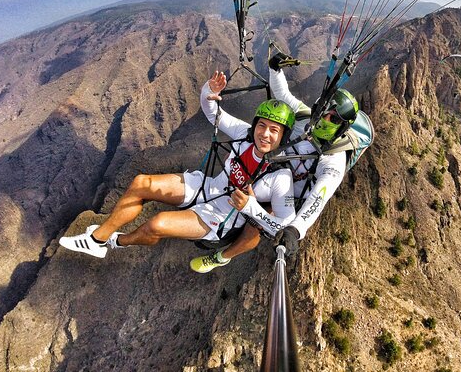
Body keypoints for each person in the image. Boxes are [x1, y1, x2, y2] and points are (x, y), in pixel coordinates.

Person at [59, 71, 297, 264]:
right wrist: (209, 91)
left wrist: (251, 207)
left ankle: (118, 241)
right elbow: (213, 112)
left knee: (157, 224)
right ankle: (97, 240)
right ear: (255, 125)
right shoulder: (244, 134)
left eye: (274, 130)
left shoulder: (281, 176)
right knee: (141, 182)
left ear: (283, 136)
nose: (265, 134)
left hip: (220, 217)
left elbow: (284, 225)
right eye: (262, 125)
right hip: (207, 187)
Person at [190, 53, 360, 272]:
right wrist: (275, 69)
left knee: (256, 227)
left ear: (343, 127)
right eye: (325, 111)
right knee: (235, 156)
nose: (325, 119)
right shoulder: (306, 117)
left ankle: (222, 256)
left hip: (290, 195)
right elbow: (283, 94)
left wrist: (295, 230)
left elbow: (319, 198)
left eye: (334, 119)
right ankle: (205, 207)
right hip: (271, 170)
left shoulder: (334, 161)